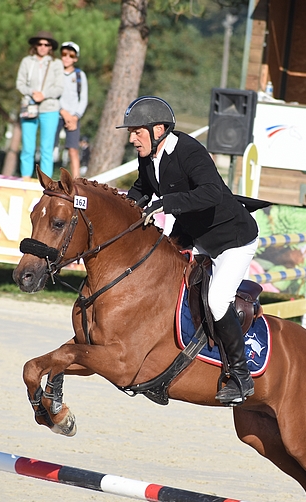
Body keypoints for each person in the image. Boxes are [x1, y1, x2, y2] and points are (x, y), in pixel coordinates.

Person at [119, 96, 260, 406]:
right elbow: (142, 190)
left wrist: (167, 203)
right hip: (194, 235)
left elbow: (211, 192)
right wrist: (124, 211)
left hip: (231, 240)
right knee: (162, 283)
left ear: (158, 129)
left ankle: (240, 375)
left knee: (217, 299)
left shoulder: (188, 151)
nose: (132, 139)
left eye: (136, 132)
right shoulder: (150, 156)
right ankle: (162, 368)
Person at [15, 30, 62, 179]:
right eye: (40, 44)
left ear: (50, 47)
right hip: (30, 107)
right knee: (27, 147)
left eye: (46, 44)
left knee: (46, 148)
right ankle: (26, 178)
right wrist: (32, 92)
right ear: (35, 45)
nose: (42, 47)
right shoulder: (27, 62)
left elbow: (59, 87)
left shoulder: (56, 63)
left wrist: (44, 95)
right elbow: (20, 83)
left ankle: (46, 182)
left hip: (50, 109)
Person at [55, 41, 87, 178]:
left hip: (74, 117)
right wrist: (63, 112)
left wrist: (74, 117)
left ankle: (76, 181)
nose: (67, 57)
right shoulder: (55, 73)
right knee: (49, 147)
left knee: (73, 150)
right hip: (56, 114)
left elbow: (83, 98)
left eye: (71, 55)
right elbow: (52, 95)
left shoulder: (80, 76)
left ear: (76, 58)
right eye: (64, 54)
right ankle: (46, 177)